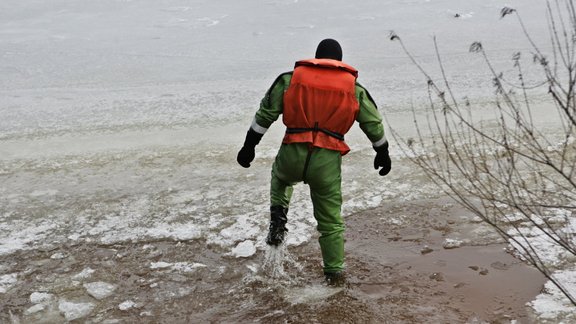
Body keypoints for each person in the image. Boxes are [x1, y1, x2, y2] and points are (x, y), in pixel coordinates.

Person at [236, 38, 391, 285]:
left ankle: (278, 216)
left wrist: (249, 146)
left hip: (292, 151)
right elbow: (373, 123)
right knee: (330, 221)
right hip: (326, 161)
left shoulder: (290, 79)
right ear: (339, 62)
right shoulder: (354, 89)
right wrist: (382, 152)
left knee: (280, 178)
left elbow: (265, 114)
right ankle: (334, 273)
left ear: (316, 57)